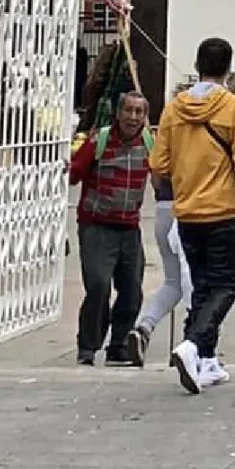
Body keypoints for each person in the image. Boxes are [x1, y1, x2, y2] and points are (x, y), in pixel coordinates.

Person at [148, 36, 235, 395]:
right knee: (225, 286)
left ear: (197, 66)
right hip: (223, 210)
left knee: (200, 287)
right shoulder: (233, 108)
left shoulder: (173, 108)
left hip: (187, 212)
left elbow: (159, 163)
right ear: (228, 68)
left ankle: (207, 363)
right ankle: (193, 344)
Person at [68, 91, 152, 366]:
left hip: (129, 227)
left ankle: (118, 345)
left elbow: (164, 178)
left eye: (139, 112)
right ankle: (88, 346)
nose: (133, 117)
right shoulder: (99, 140)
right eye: (128, 110)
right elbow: (74, 173)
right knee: (98, 285)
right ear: (118, 113)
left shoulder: (149, 143)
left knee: (132, 289)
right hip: (96, 226)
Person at [126, 152, 192, 367]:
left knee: (173, 282)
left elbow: (156, 172)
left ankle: (144, 326)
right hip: (196, 205)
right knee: (200, 281)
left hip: (165, 205)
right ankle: (193, 345)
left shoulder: (169, 124)